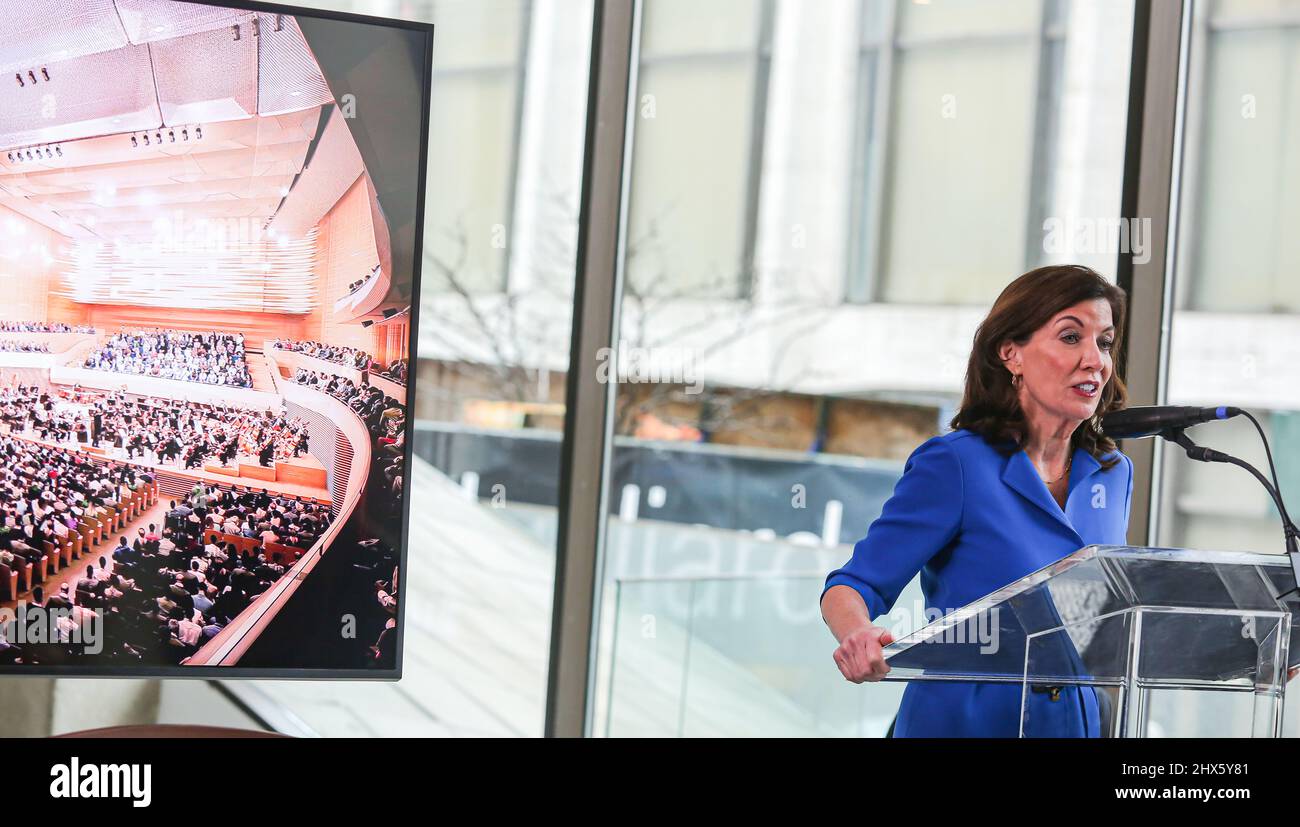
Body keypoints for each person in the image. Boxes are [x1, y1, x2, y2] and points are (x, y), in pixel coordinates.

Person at [820, 265, 1134, 738]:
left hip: (1075, 724)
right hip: (966, 722)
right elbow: (852, 584)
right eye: (1071, 337)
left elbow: (1118, 615)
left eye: (1104, 343)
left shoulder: (1111, 473)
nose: (1095, 360)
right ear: (1011, 354)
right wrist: (857, 632)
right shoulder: (956, 465)